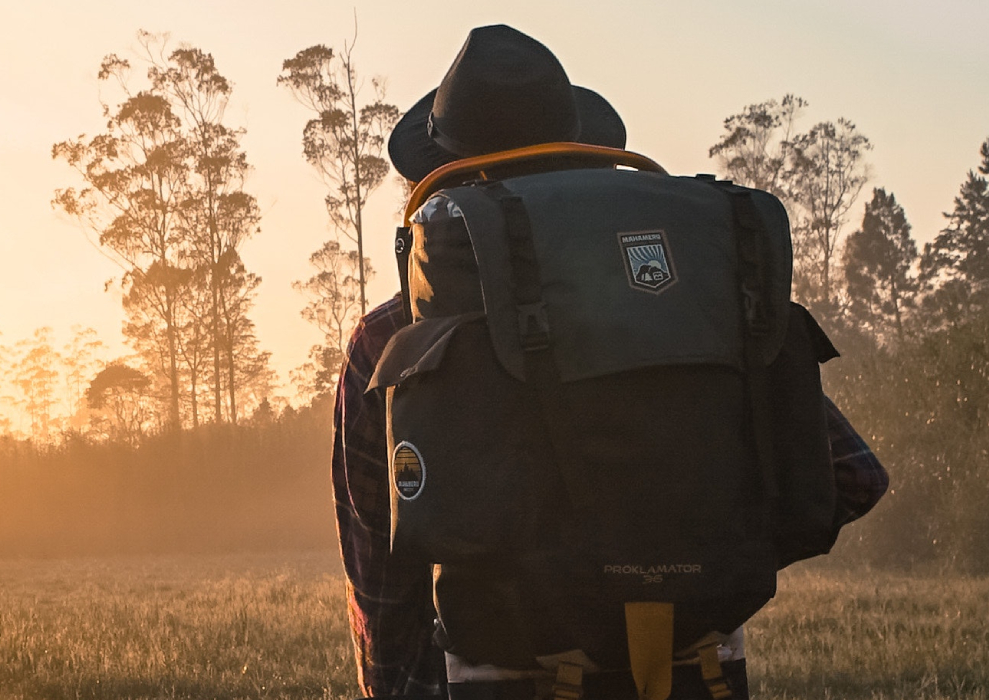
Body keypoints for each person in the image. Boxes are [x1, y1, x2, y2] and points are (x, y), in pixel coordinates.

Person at [329, 25, 890, 700]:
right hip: (704, 673)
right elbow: (852, 477)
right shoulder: (687, 301)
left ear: (437, 179)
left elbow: (386, 588)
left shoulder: (391, 339)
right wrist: (699, 561)